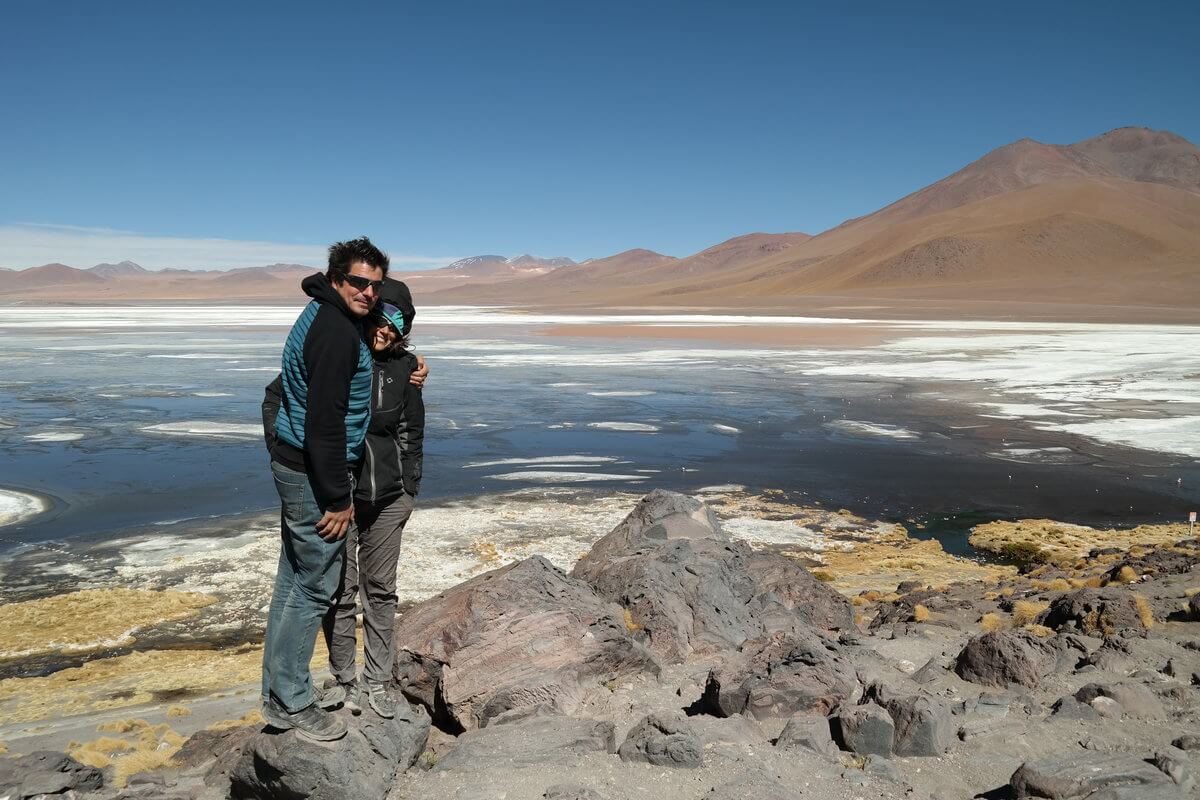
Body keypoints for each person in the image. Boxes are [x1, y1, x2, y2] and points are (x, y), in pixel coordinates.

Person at [259, 236, 389, 741]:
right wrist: (338, 499)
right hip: (315, 476)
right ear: (337, 278)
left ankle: (277, 695)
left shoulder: (323, 313)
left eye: (375, 286)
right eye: (358, 282)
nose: (369, 292)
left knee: (292, 579)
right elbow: (326, 424)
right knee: (314, 586)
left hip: (296, 464)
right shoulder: (336, 331)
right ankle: (291, 702)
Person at [320, 277, 424, 719]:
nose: (385, 330)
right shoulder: (339, 354)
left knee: (379, 592)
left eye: (396, 324)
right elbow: (282, 404)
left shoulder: (405, 371)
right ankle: (344, 680)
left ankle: (378, 680)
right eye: (381, 319)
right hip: (337, 500)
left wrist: (408, 491)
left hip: (386, 500)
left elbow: (410, 432)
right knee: (338, 593)